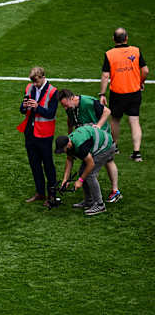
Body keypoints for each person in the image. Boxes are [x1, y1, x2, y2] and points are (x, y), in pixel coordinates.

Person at [58, 89, 121, 203]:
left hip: (100, 137)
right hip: (86, 138)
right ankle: (89, 199)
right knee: (87, 166)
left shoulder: (87, 102)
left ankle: (114, 191)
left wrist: (98, 125)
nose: (65, 108)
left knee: (105, 162)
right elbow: (70, 121)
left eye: (65, 105)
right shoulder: (70, 108)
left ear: (72, 98)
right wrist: (70, 136)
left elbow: (107, 111)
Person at [99, 27, 149, 162]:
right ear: (126, 38)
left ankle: (115, 147)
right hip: (134, 92)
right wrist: (140, 82)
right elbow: (145, 70)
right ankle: (137, 152)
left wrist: (102, 93)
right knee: (134, 120)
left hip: (118, 93)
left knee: (115, 119)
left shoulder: (109, 54)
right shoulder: (136, 51)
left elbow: (105, 75)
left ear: (113, 39)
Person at [17, 66, 58, 206]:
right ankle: (40, 193)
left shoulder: (53, 92)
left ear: (42, 77)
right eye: (33, 82)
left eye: (36, 81)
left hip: (45, 135)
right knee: (34, 164)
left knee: (48, 165)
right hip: (30, 133)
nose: (34, 84)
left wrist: (37, 107)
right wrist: (24, 106)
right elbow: (22, 110)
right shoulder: (29, 88)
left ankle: (52, 195)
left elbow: (51, 113)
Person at [55, 125, 117, 216]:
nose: (63, 151)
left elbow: (91, 164)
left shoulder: (80, 145)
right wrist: (65, 179)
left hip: (106, 146)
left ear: (68, 144)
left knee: (90, 174)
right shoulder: (69, 144)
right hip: (97, 144)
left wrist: (80, 181)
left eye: (63, 149)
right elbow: (69, 160)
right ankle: (89, 201)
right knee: (82, 173)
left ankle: (100, 205)